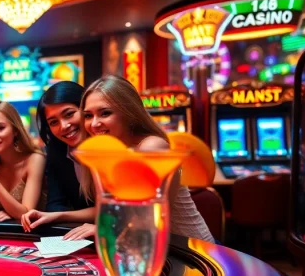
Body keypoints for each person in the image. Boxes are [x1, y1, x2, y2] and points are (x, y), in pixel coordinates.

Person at [74, 75, 214, 242]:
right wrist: (57, 216)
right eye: (88, 116)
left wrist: (102, 228)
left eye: (105, 113)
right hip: (147, 245)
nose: (94, 124)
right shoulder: (112, 152)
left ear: (128, 112)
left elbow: (149, 219)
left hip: (192, 250)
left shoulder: (152, 147)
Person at [21, 81, 97, 239]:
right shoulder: (56, 152)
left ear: (85, 109)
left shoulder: (111, 146)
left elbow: (113, 208)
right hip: (81, 234)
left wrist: (60, 216)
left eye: (69, 114)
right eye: (53, 122)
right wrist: (56, 215)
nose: (64, 126)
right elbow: (55, 204)